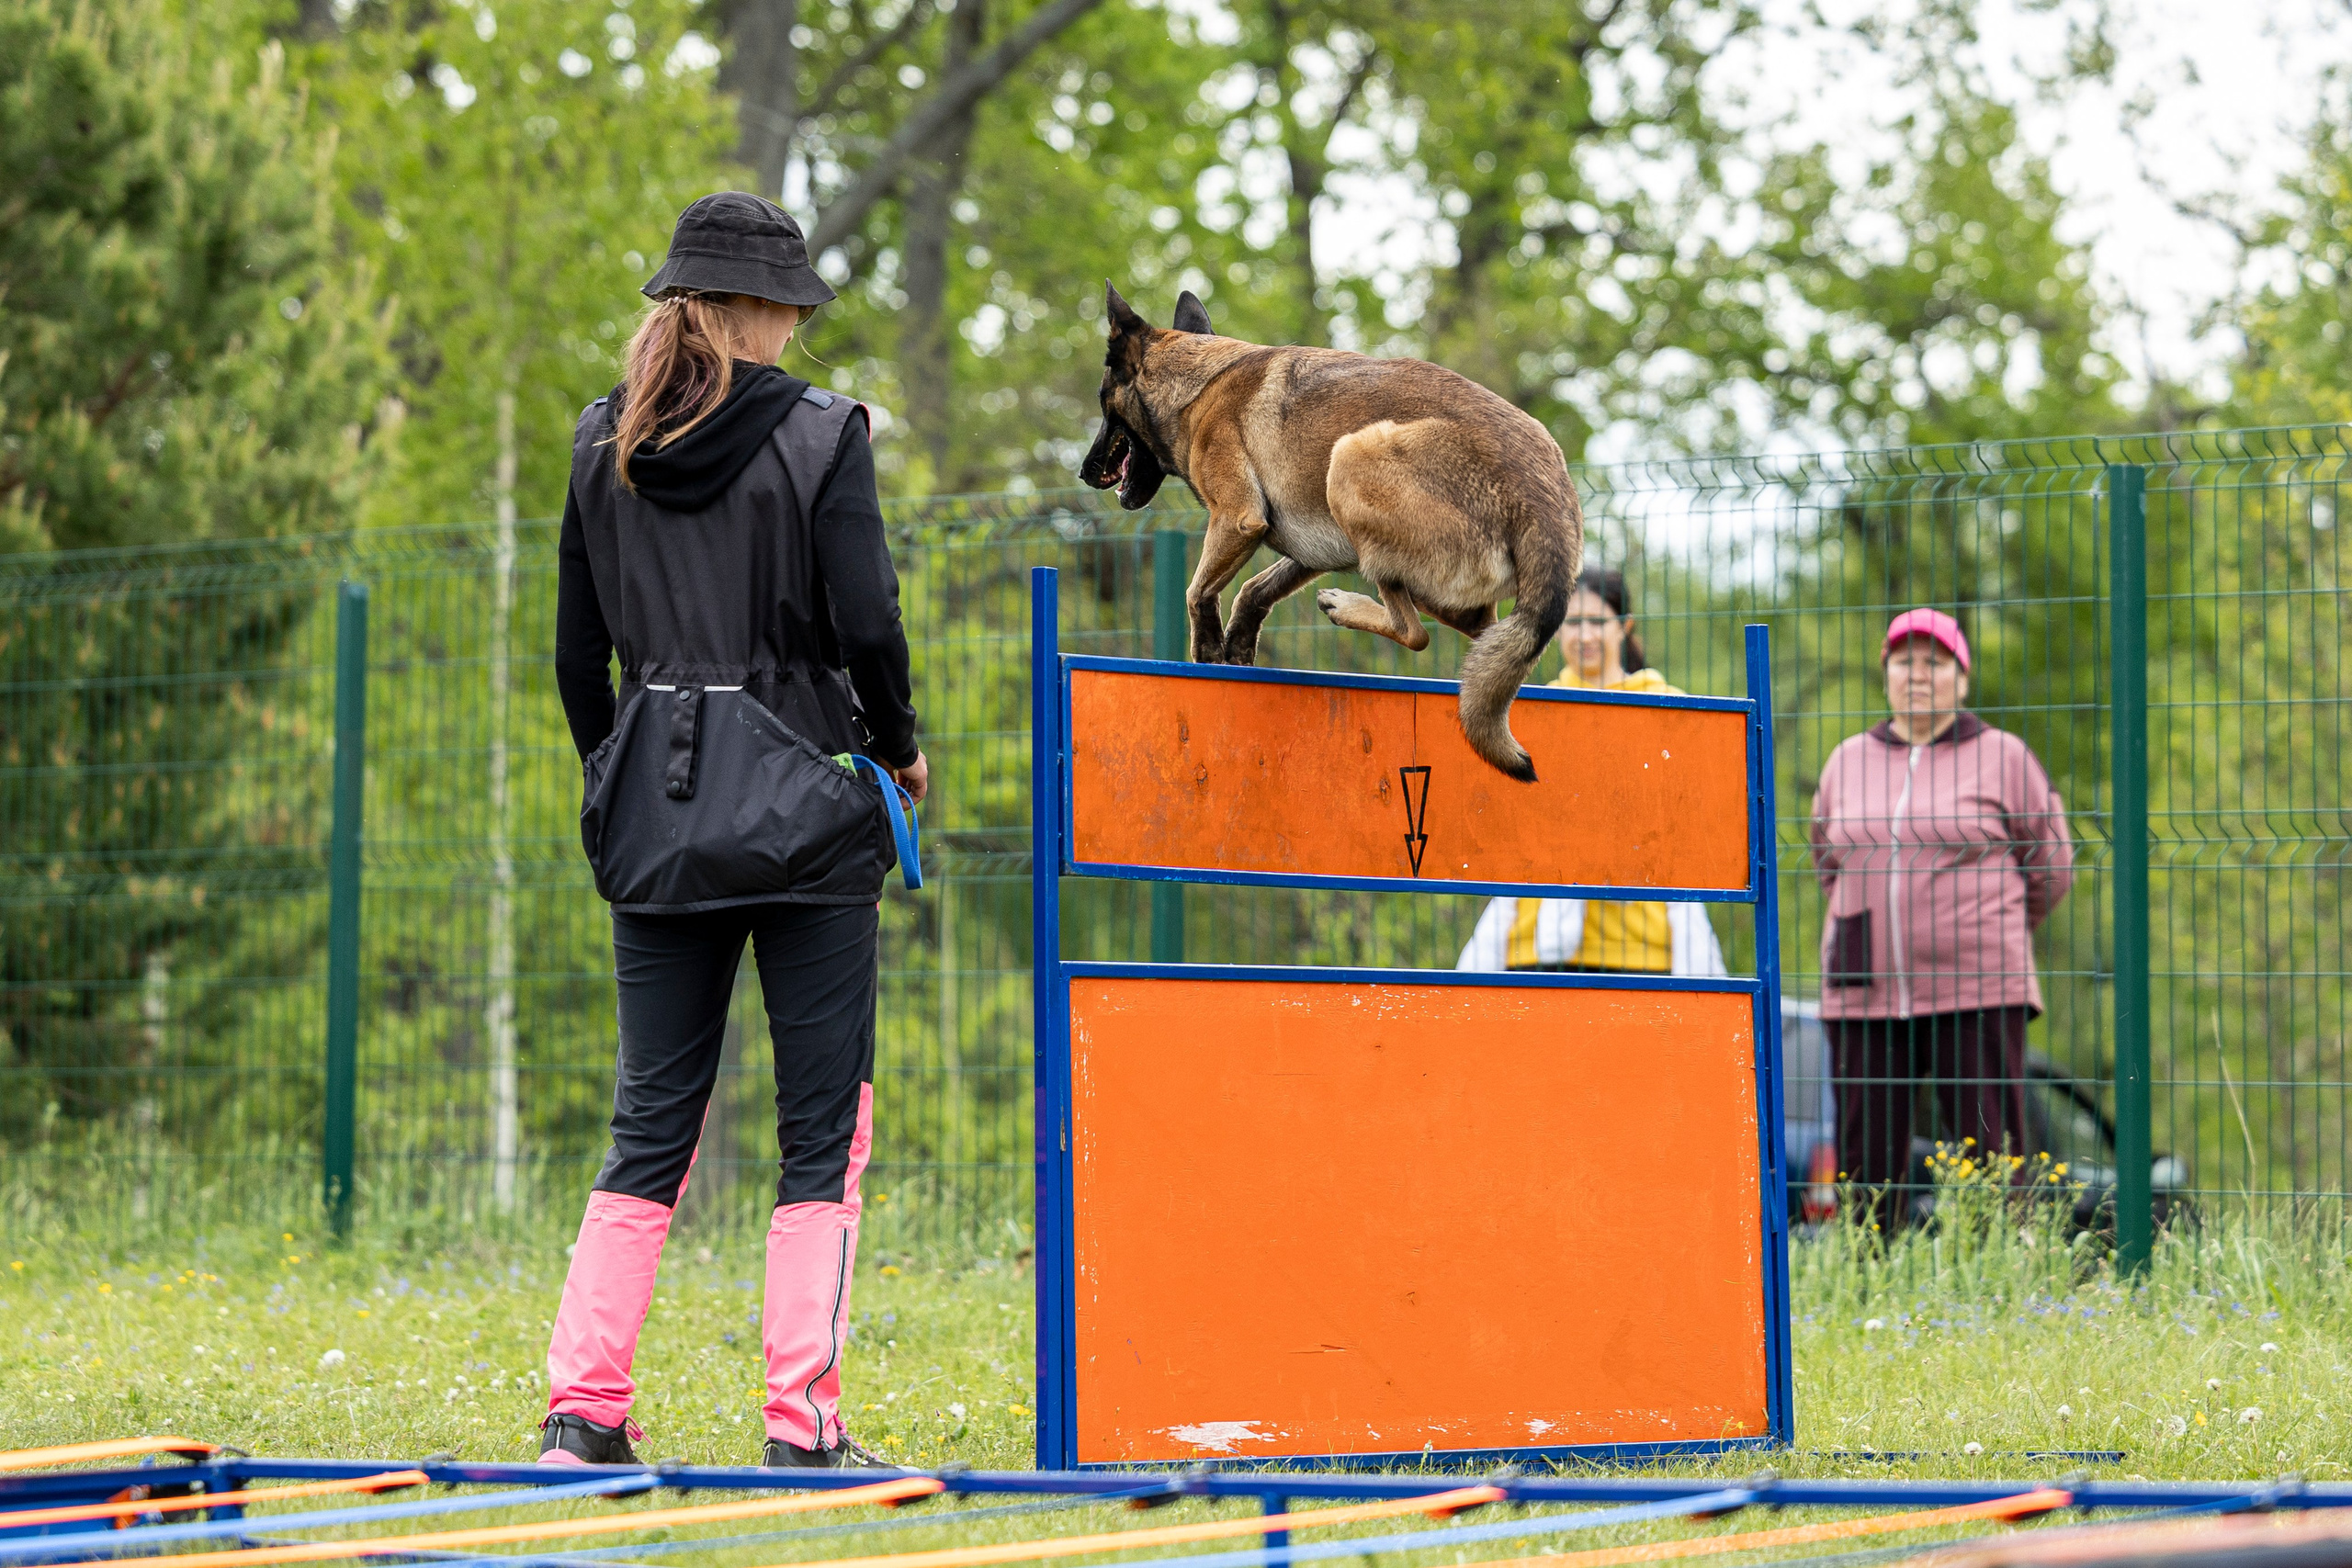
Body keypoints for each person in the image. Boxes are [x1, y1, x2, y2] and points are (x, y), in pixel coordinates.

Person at [539, 192, 926, 1469]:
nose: (793, 326)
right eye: (788, 307)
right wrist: (898, 748)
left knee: (651, 1116)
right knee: (824, 1123)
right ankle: (799, 1417)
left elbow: (573, 657)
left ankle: (585, 1409)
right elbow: (868, 624)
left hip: (654, 812)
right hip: (807, 816)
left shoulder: (606, 438)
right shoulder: (824, 434)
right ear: (758, 308)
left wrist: (627, 766)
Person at [1809, 608, 2074, 1230]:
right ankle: (1869, 1277)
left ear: (1963, 676)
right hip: (1863, 985)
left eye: (1935, 662)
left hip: (1977, 983)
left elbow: (2051, 865)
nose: (1918, 675)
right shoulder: (1846, 760)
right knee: (1865, 1156)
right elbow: (1828, 861)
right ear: (1886, 674)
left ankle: (1997, 1272)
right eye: (1905, 661)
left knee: (1989, 1148)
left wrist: (1992, 927)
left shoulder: (2004, 756)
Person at [1456, 565, 1726, 977]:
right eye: (1572, 623)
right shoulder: (1534, 709)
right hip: (1535, 949)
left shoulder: (1669, 706)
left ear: (1624, 626)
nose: (1584, 636)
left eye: (1597, 622)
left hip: (1638, 949)